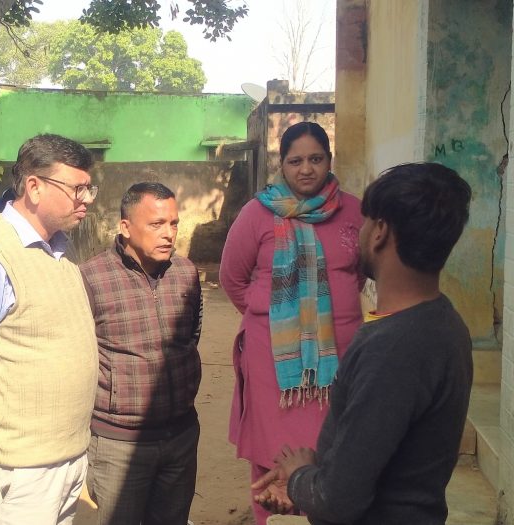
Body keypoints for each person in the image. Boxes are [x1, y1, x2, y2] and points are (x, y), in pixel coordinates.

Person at [252, 162, 473, 524]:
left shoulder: (393, 349)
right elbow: (379, 454)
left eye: (365, 221)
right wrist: (314, 479)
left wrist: (300, 477)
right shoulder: (443, 322)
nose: (360, 231)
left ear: (380, 232)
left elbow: (337, 502)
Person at [0, 134, 98, 524]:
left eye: (89, 188)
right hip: (18, 473)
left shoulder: (61, 248)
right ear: (34, 187)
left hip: (65, 460)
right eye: (77, 189)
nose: (87, 199)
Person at [219, 121, 364, 525]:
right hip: (273, 362)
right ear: (281, 165)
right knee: (274, 450)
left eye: (315, 159)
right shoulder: (257, 213)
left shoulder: (354, 211)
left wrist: (325, 317)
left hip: (340, 355)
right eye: (295, 161)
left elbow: (359, 273)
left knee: (334, 448)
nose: (306, 169)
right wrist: (275, 318)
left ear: (329, 161)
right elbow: (232, 278)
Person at [79, 182, 203, 525]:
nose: (169, 234)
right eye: (156, 224)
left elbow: (191, 336)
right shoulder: (91, 278)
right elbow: (81, 358)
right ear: (125, 227)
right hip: (118, 444)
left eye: (174, 223)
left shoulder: (186, 273)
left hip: (180, 437)